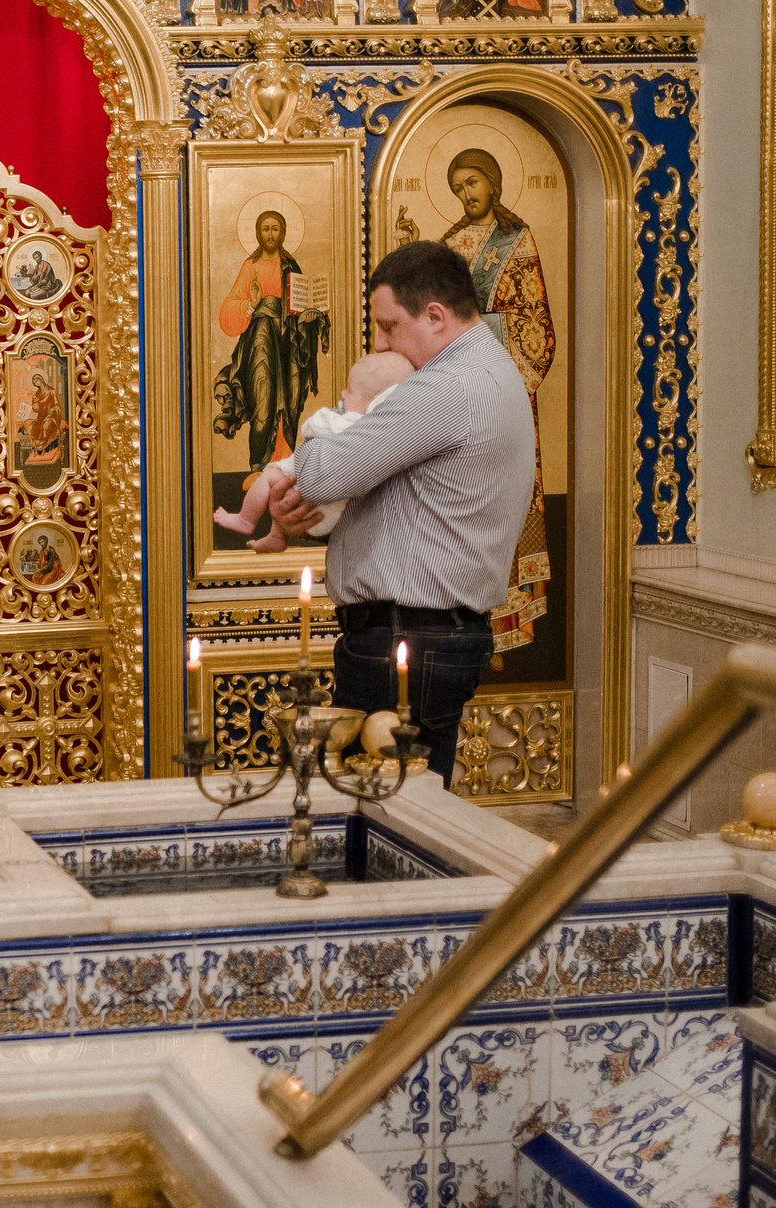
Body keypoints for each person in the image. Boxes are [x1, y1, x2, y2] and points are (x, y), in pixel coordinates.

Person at [265, 242, 535, 787]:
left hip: (408, 637)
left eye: (389, 326)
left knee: (385, 806)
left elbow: (321, 472)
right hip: (420, 633)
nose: (381, 343)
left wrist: (344, 419)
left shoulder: (449, 387)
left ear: (435, 316)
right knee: (393, 800)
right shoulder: (486, 369)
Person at [440, 148, 557, 653]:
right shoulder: (446, 245)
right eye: (458, 188)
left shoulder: (517, 239)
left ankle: (508, 629)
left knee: (505, 499)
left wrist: (480, 332)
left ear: (492, 181)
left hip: (505, 392)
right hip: (456, 395)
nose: (466, 194)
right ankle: (463, 628)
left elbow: (536, 324)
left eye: (472, 183)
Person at [215, 351, 412, 554]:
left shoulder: (346, 423)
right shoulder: (390, 432)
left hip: (311, 510)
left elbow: (311, 427)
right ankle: (275, 536)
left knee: (271, 477)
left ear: (374, 401)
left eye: (350, 392)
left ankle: (245, 520)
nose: (344, 395)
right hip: (340, 519)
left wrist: (328, 414)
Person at [213, 210, 329, 474]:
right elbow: (228, 310)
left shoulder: (291, 266)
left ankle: (285, 467)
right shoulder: (250, 267)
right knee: (263, 402)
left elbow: (303, 306)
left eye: (275, 229)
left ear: (283, 233)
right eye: (265, 229)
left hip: (290, 347)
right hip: (260, 344)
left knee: (289, 403)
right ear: (257, 233)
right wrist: (252, 304)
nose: (270, 234)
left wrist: (311, 317)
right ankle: (257, 469)